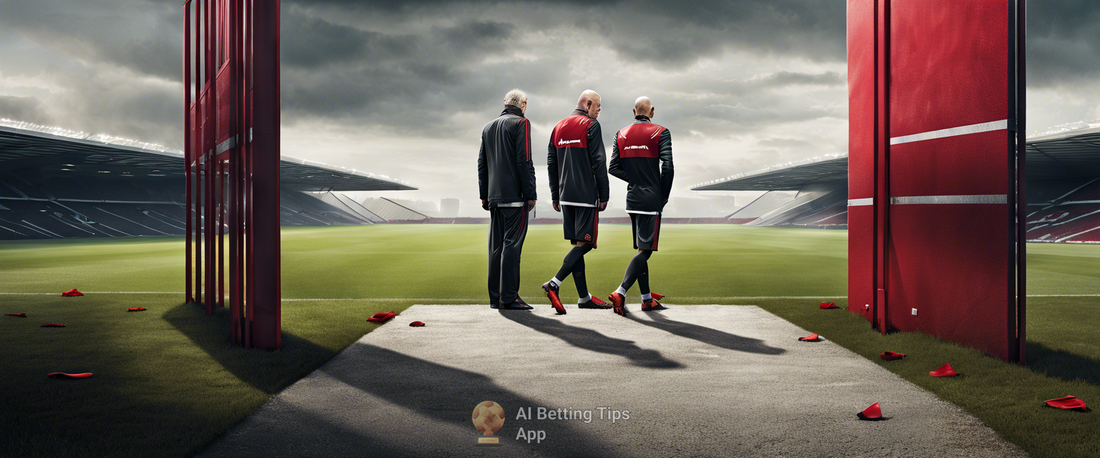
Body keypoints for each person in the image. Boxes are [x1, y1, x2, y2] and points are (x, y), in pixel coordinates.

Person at [542, 90, 612, 314]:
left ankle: (584, 298)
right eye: (598, 107)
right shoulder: (590, 125)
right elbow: (599, 161)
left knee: (579, 245)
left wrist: (555, 194)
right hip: (585, 195)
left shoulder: (558, 127)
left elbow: (551, 163)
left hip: (565, 197)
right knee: (588, 244)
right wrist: (604, 194)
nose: (599, 111)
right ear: (588, 104)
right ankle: (554, 283)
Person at [607, 96, 674, 316]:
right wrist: (662, 194)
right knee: (645, 252)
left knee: (641, 249)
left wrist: (634, 179)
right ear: (652, 111)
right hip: (651, 199)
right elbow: (669, 167)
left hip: (632, 200)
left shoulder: (621, 133)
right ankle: (621, 291)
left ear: (633, 111)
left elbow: (613, 167)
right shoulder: (661, 132)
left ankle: (646, 300)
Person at [478, 89, 537, 310]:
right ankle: (509, 297)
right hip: (515, 197)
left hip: (494, 197)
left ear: (506, 104)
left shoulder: (488, 127)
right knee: (512, 247)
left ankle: (495, 298)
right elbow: (525, 160)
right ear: (524, 104)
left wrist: (484, 195)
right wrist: (530, 194)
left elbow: (481, 164)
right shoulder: (522, 123)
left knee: (496, 247)